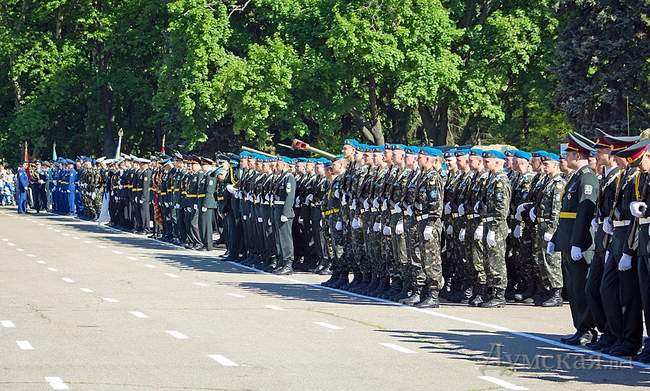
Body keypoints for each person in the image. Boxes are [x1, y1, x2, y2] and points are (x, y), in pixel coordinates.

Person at [549, 133, 599, 346]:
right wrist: (556, 238)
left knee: (580, 287)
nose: (564, 157)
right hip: (568, 240)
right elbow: (565, 213)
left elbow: (585, 212)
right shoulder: (576, 176)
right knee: (574, 287)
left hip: (580, 242)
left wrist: (578, 242)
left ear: (577, 154)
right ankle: (579, 327)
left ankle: (586, 329)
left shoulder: (587, 176)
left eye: (567, 153)